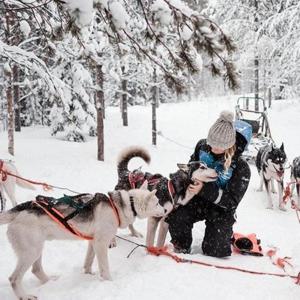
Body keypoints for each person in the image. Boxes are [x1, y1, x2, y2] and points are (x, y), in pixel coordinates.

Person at [165, 111, 252, 258]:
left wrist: (204, 189)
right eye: (211, 143)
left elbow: (231, 202)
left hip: (221, 208)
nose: (212, 148)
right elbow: (191, 167)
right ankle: (181, 246)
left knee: (215, 251)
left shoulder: (242, 168)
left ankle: (225, 233)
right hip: (198, 200)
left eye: (218, 146)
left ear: (229, 145)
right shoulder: (202, 146)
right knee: (177, 214)